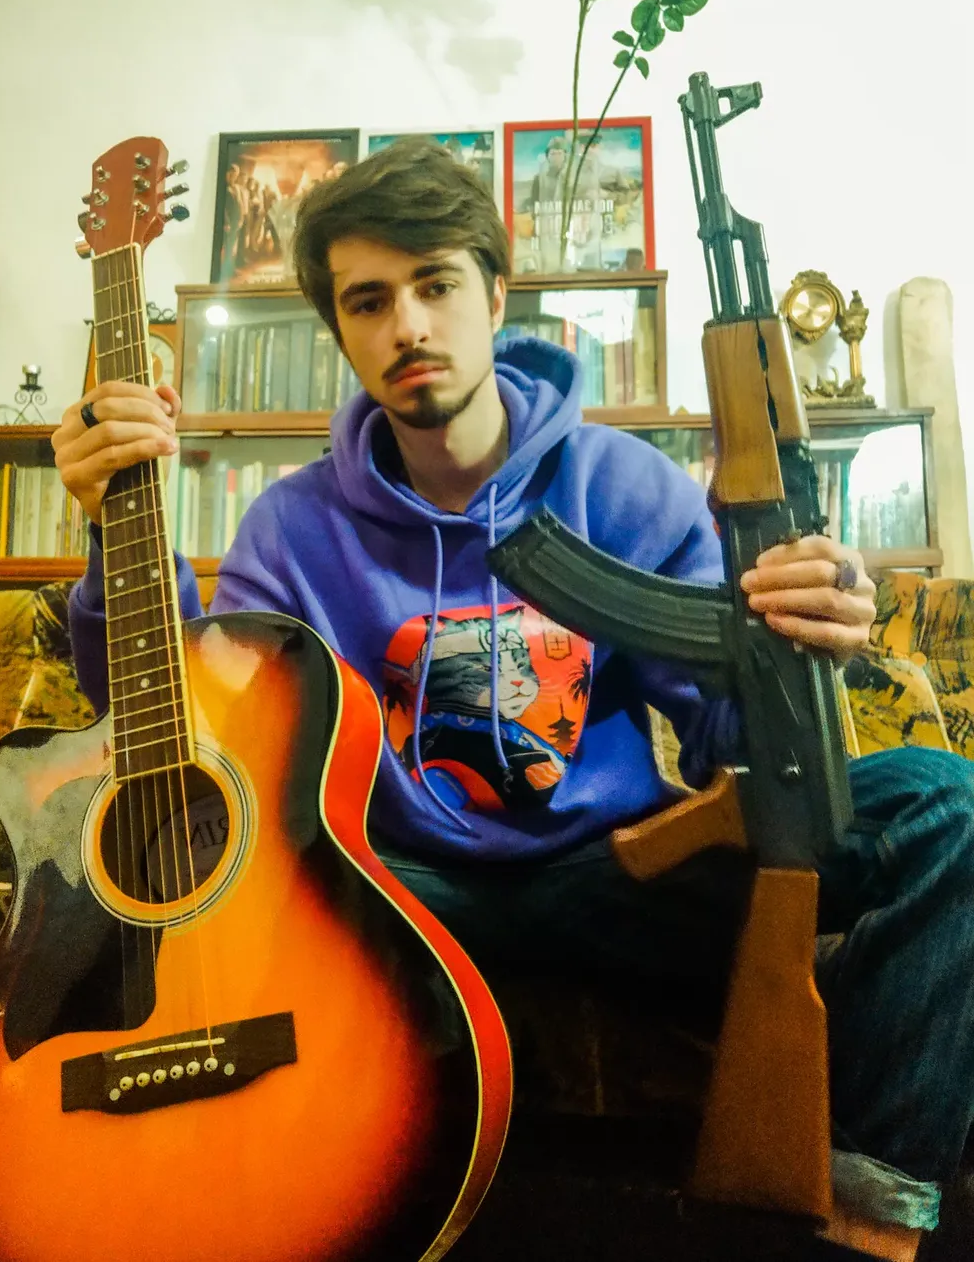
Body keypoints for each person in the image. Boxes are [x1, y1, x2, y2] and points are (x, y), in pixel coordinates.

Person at [55, 137, 973, 1262]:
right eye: (368, 301)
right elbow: (194, 749)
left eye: (436, 284)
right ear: (339, 330)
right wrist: (116, 539)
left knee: (943, 800)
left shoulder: (625, 484)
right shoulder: (288, 530)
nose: (409, 326)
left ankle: (868, 1223)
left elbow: (729, 742)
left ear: (495, 296)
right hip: (406, 900)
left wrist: (798, 652)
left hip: (619, 874)